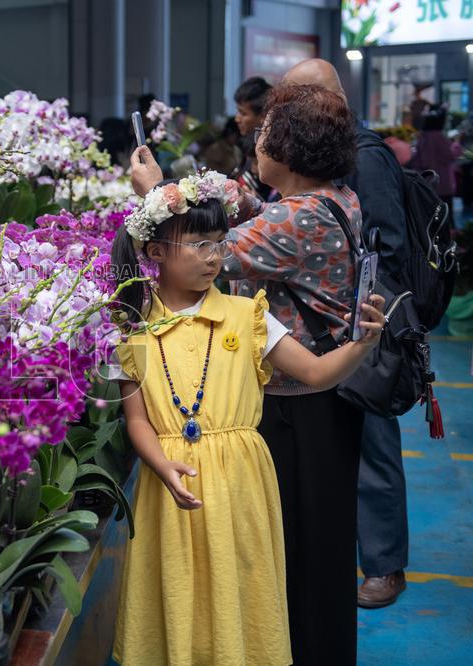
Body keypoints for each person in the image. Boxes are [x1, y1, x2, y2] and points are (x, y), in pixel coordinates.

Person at [129, 83, 367, 665]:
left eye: (262, 134)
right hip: (324, 395)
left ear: (286, 148)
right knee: (317, 547)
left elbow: (200, 249)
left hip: (304, 399)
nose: (254, 141)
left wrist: (154, 193)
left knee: (301, 552)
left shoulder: (294, 223)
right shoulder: (335, 199)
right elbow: (249, 220)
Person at [283, 57, 413, 611]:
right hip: (331, 325)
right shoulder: (321, 150)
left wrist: (352, 309)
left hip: (365, 322)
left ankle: (385, 566)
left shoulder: (364, 156)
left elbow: (388, 244)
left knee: (374, 444)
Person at [412, 104, 462, 229]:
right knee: (447, 216)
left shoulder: (422, 136)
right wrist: (456, 144)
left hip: (427, 181)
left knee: (431, 217)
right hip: (442, 182)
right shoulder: (438, 136)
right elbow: (450, 155)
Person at [233, 77, 273, 200]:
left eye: (243, 113)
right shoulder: (248, 145)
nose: (237, 119)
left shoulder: (270, 152)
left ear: (263, 115)